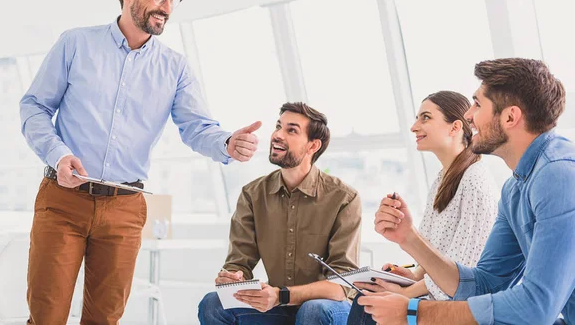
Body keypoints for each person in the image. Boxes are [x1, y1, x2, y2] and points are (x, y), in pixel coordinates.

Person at [20, 0, 260, 324]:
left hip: (125, 207)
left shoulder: (174, 68)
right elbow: (34, 106)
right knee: (46, 315)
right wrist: (57, 153)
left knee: (105, 319)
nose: (166, 6)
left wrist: (227, 143)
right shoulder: (75, 44)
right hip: (63, 201)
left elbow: (196, 126)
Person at [362, 58, 574, 325]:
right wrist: (409, 238)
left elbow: (536, 307)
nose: (469, 116)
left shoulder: (559, 176)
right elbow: (484, 284)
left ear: (510, 117)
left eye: (477, 104)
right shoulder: (515, 189)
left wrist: (414, 312)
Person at [198, 102, 362, 325]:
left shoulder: (344, 198)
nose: (277, 135)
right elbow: (239, 262)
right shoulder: (252, 194)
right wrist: (234, 277)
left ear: (313, 146)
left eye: (291, 130)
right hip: (277, 307)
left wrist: (281, 295)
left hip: (329, 308)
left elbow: (343, 285)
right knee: (212, 304)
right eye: (278, 126)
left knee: (312, 310)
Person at [347, 91, 498, 325]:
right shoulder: (442, 179)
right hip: (437, 292)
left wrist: (406, 293)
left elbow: (463, 274)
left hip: (455, 304)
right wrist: (409, 276)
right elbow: (431, 253)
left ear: (455, 127)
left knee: (370, 303)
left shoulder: (474, 182)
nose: (414, 127)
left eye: (425, 118)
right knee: (368, 293)